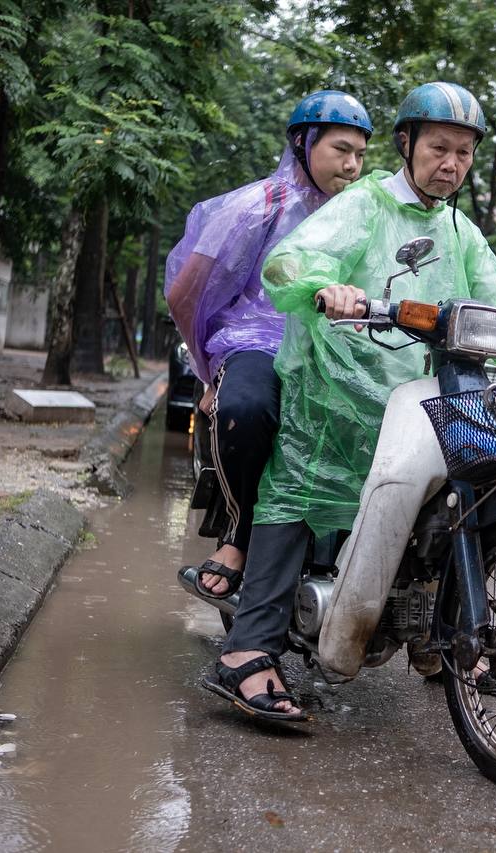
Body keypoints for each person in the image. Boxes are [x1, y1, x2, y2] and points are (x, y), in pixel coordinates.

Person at [199, 82, 496, 721]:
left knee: (461, 484)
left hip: (419, 392)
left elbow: (493, 294)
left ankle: (441, 624)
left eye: (464, 153)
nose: (451, 164)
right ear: (407, 145)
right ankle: (246, 651)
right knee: (300, 490)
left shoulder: (459, 229)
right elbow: (289, 263)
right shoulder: (365, 205)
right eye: (439, 149)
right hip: (337, 389)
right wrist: (327, 286)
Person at [163, 91, 372, 603]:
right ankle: (238, 534)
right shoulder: (255, 206)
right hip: (256, 342)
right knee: (247, 407)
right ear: (303, 143)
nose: (352, 165)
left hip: (334, 351)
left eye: (362, 155)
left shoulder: (363, 213)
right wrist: (208, 374)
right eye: (341, 150)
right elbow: (187, 293)